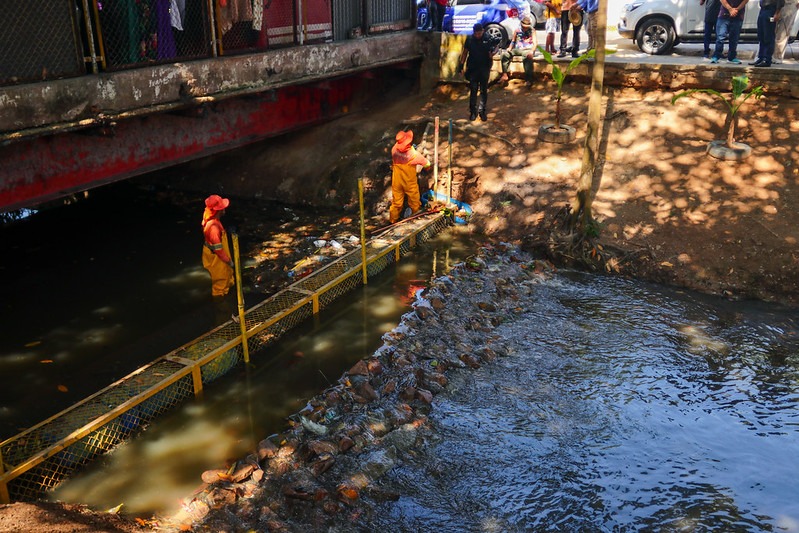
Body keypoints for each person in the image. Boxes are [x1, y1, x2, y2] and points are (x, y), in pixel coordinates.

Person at [201, 194, 236, 324]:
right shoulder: (214, 228)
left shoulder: (210, 218)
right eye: (222, 207)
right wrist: (229, 261)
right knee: (220, 283)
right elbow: (218, 250)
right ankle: (221, 309)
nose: (224, 210)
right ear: (217, 210)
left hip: (216, 254)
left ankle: (229, 295)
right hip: (216, 257)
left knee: (228, 277)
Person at [458, 22, 499, 121]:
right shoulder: (470, 39)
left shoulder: (488, 38)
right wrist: (460, 66)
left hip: (485, 67)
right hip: (473, 68)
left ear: (482, 31)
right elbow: (464, 53)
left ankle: (482, 111)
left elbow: (497, 46)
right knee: (473, 89)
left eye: (479, 33)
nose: (477, 35)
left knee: (484, 90)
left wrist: (493, 53)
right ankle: (473, 111)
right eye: (476, 33)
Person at [390, 130, 431, 224]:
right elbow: (427, 164)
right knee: (414, 202)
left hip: (396, 182)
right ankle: (415, 220)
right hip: (409, 183)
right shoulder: (414, 155)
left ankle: (393, 221)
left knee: (396, 203)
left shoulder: (394, 149)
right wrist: (428, 168)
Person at [500, 16, 538, 87]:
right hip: (517, 49)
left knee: (527, 58)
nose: (525, 28)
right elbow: (513, 41)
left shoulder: (532, 30)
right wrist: (510, 48)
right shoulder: (517, 30)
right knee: (504, 55)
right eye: (524, 26)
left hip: (527, 49)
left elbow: (535, 43)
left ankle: (528, 79)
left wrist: (532, 51)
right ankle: (505, 74)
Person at [750, 0, 785, 66]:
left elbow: (780, 1)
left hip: (771, 9)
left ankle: (767, 59)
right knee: (761, 35)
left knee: (768, 36)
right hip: (763, 9)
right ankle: (761, 57)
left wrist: (777, 13)